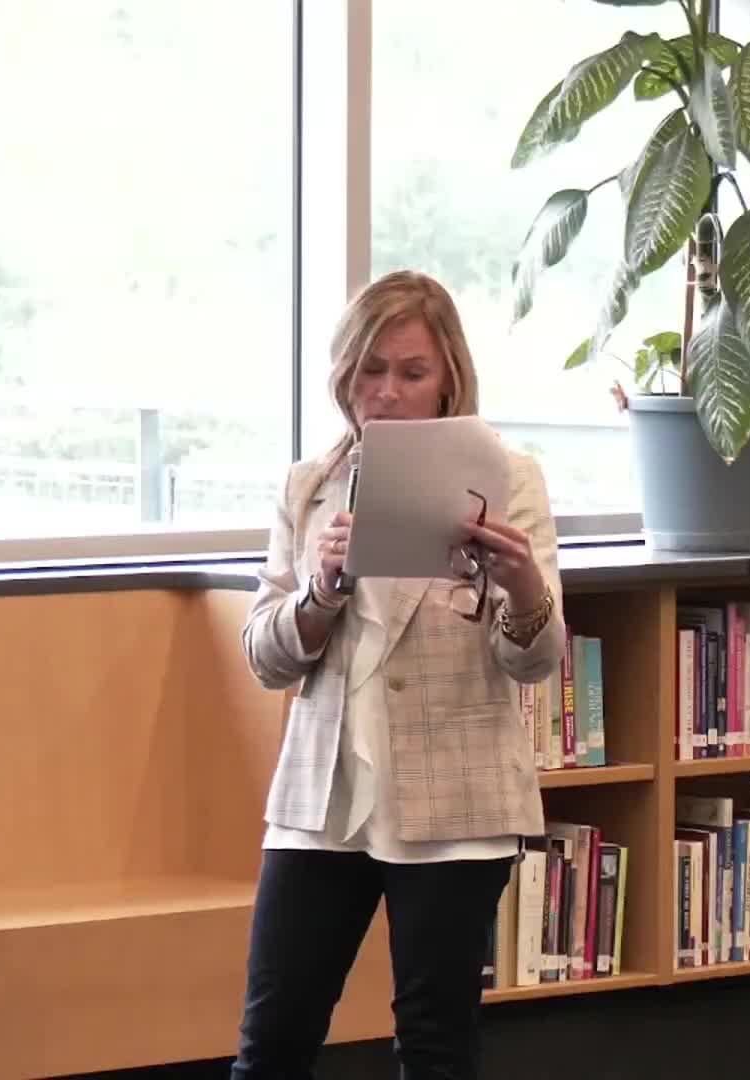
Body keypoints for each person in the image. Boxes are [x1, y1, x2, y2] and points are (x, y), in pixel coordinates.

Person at [233, 270, 565, 1080]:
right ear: (344, 376)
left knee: (434, 1047)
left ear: (449, 376)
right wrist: (320, 592)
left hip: (455, 799)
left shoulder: (507, 478)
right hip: (323, 800)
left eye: (412, 372)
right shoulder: (308, 487)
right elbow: (266, 658)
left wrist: (521, 583)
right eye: (370, 370)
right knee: (271, 1044)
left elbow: (534, 660)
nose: (387, 392)